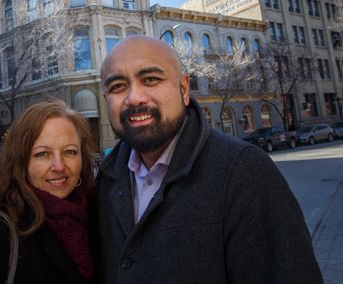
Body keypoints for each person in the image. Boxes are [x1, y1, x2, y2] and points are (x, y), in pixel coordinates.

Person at [97, 35, 322, 283]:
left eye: (151, 79)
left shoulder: (244, 171)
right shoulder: (105, 180)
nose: (134, 98)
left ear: (183, 89)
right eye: (117, 86)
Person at [0, 99, 98, 283]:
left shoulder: (97, 213)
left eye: (70, 151)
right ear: (20, 161)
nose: (59, 166)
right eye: (42, 154)